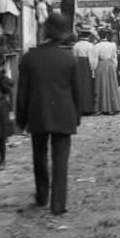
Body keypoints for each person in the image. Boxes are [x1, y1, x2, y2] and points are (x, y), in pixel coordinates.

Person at [16, 13, 80, 216]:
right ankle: (58, 204)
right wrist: (76, 116)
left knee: (39, 156)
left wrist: (21, 119)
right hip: (64, 115)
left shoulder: (29, 58)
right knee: (61, 160)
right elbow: (76, 92)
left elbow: (22, 92)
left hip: (38, 114)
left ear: (44, 30)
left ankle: (42, 196)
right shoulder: (69, 59)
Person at [92, 28, 120, 115]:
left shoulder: (96, 46)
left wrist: (93, 69)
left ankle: (101, 107)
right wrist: (114, 66)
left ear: (99, 35)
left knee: (101, 85)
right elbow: (114, 57)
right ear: (107, 35)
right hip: (110, 65)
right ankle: (112, 107)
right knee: (111, 85)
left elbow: (94, 60)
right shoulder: (112, 45)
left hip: (100, 65)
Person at [71, 26, 96, 115]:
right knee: (88, 86)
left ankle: (79, 108)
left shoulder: (76, 45)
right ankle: (88, 108)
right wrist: (93, 70)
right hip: (86, 65)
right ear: (88, 36)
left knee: (79, 85)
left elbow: (73, 57)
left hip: (78, 65)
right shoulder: (90, 46)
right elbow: (92, 59)